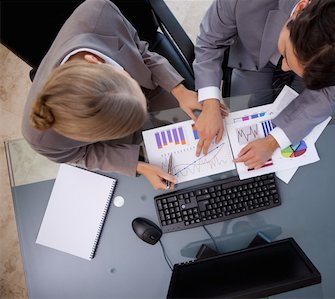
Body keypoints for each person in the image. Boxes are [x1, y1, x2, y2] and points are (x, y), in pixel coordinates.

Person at [22, 0, 202, 190]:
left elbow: (140, 51)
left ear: (95, 61)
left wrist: (179, 91)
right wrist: (138, 166)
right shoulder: (43, 139)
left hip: (151, 86)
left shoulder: (101, 12)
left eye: (129, 81)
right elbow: (82, 154)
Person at [193, 0, 335, 169]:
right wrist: (210, 103)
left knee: (328, 146)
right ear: (299, 9)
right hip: (253, 57)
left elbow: (327, 96)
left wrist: (273, 142)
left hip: (316, 82)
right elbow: (210, 42)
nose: (284, 68)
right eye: (288, 57)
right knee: (241, 119)